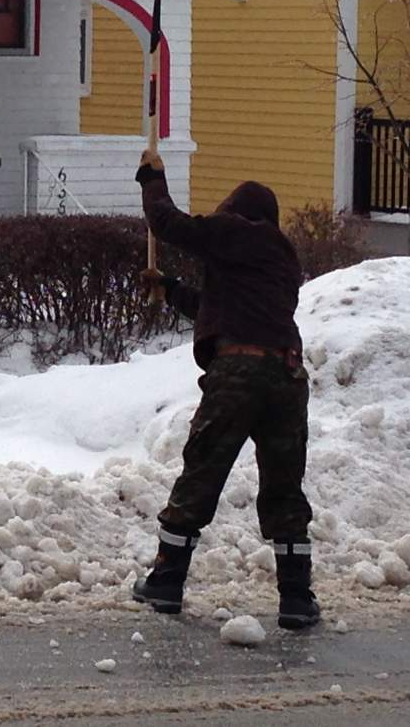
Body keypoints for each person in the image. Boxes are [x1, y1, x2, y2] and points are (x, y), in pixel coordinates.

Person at [132, 148, 320, 630]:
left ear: (236, 211)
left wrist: (153, 179)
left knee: (202, 472)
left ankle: (166, 582)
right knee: (284, 488)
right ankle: (296, 599)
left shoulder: (238, 231)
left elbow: (168, 224)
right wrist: (170, 290)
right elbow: (223, 309)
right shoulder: (282, 258)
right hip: (287, 376)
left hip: (238, 374)